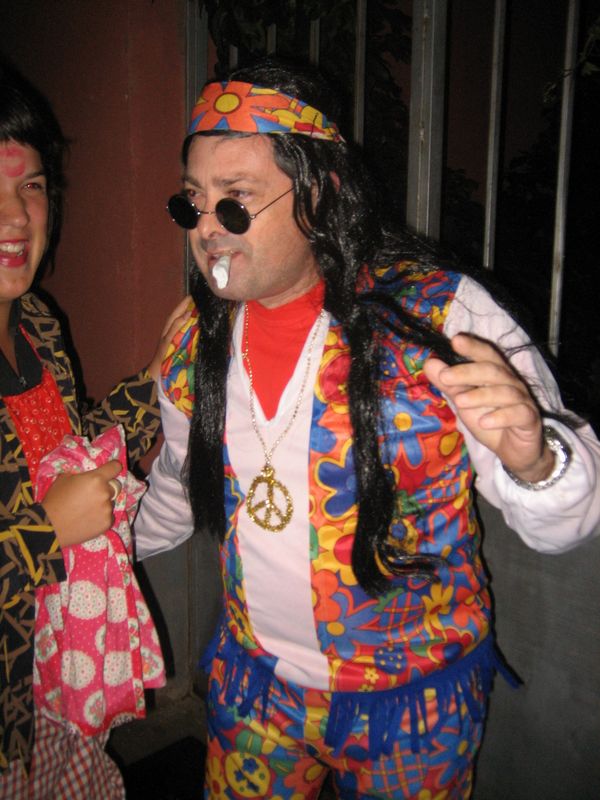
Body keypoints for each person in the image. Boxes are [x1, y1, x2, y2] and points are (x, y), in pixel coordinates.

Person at [134, 57, 600, 799]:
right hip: (254, 691)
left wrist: (537, 460)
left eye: (236, 202)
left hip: (412, 708)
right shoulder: (195, 338)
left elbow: (564, 525)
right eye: (192, 202)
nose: (207, 230)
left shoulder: (442, 317)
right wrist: (72, 555)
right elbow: (177, 486)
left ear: (318, 193)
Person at [0, 60, 188, 797]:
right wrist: (44, 533)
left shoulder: (38, 324)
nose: (16, 218)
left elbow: (72, 454)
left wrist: (158, 377)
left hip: (61, 683)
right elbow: (56, 513)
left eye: (31, 187)